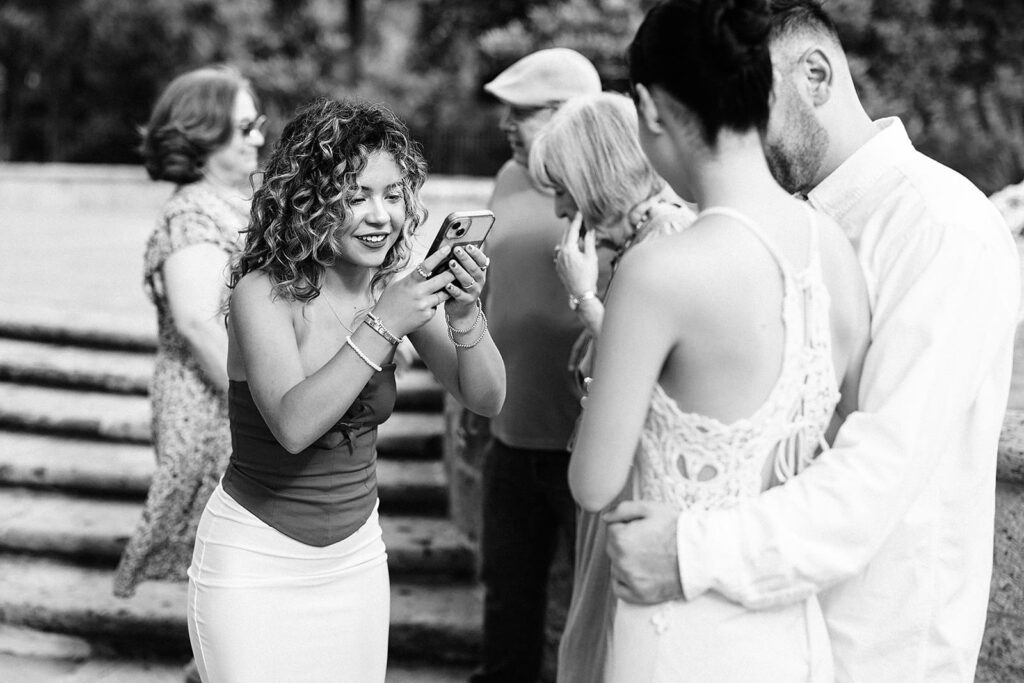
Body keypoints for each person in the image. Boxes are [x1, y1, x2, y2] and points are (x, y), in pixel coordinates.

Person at [603, 1, 1021, 680]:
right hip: (760, 641)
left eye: (746, 103)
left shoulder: (944, 231)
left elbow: (875, 472)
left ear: (817, 76)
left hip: (874, 649)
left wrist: (689, 550)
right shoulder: (781, 229)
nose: (726, 132)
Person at [566, 0, 872, 678]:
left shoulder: (660, 273)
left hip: (680, 628)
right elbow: (845, 433)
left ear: (647, 108)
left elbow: (593, 483)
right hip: (788, 630)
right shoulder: (834, 250)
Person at [185, 97, 505, 682]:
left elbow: (487, 399)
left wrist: (463, 316)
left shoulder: (396, 288)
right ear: (308, 203)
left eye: (392, 194)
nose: (380, 215)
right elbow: (293, 426)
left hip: (356, 559)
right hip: (255, 562)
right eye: (356, 196)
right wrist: (384, 321)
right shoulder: (263, 293)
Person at [525, 91, 696, 683]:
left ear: (594, 175)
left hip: (635, 484)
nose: (560, 208)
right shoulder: (638, 243)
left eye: (562, 188)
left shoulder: (669, 236)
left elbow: (662, 376)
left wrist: (583, 298)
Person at [113, 65, 265, 680]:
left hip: (236, 396)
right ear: (204, 133)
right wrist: (270, 396)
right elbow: (202, 325)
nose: (259, 136)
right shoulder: (191, 215)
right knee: (230, 567)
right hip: (212, 404)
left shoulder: (235, 201)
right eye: (246, 126)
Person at [469, 48, 602, 683]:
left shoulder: (609, 190)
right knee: (506, 586)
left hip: (582, 437)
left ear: (568, 113)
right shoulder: (507, 177)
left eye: (521, 114)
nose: (506, 127)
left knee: (585, 602)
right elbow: (496, 288)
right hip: (509, 428)